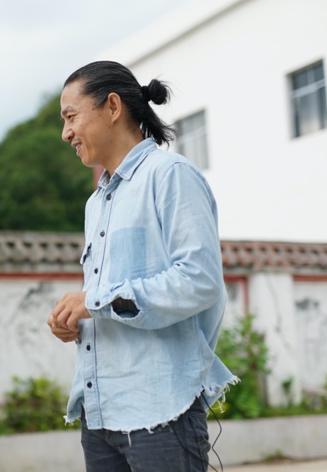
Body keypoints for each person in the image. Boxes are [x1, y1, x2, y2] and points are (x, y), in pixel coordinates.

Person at [47, 60, 237, 472]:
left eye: (71, 117)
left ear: (112, 107)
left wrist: (94, 302)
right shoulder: (96, 202)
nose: (65, 134)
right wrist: (78, 321)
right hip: (100, 416)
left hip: (161, 414)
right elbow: (110, 301)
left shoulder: (171, 176)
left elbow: (199, 280)